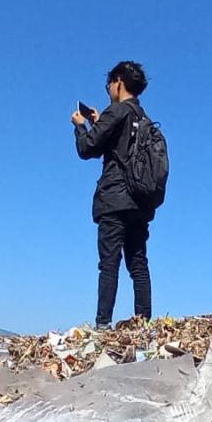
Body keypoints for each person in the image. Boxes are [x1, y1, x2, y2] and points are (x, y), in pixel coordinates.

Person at [73, 61, 154, 330]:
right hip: (140, 201)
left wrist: (81, 125)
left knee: (109, 263)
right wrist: (100, 123)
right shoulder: (143, 119)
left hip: (114, 198)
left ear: (118, 81)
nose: (108, 89)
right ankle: (143, 323)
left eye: (109, 84)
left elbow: (87, 148)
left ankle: (103, 324)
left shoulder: (117, 111)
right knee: (138, 263)